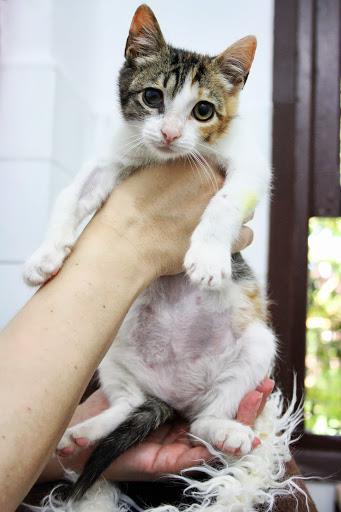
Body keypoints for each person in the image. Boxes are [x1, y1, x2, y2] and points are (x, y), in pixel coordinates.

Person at [0, 161, 270, 512]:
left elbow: (255, 174)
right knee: (111, 327)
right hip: (148, 362)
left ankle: (211, 416)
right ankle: (128, 402)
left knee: (260, 344)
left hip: (211, 354)